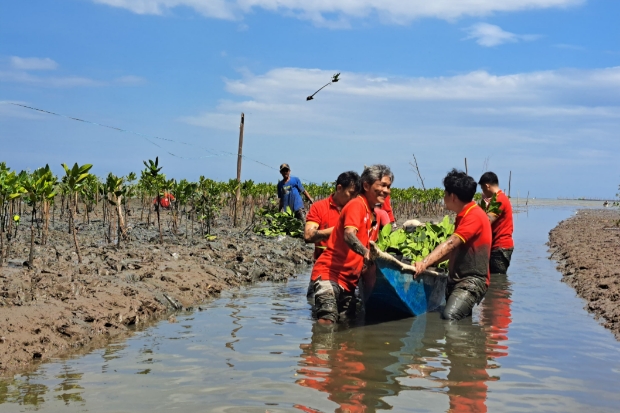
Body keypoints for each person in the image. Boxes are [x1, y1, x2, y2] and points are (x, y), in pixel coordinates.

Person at [309, 164, 393, 324]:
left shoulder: (372, 213)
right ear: (366, 185)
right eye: (382, 185)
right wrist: (366, 253)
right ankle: (316, 348)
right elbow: (349, 235)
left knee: (347, 326)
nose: (386, 190)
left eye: (388, 186)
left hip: (349, 283)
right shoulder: (357, 205)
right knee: (327, 321)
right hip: (330, 275)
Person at [414, 169, 492, 321]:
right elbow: (454, 250)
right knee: (462, 319)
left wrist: (423, 263)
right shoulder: (464, 215)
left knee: (450, 316)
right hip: (458, 280)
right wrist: (430, 264)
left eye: (445, 194)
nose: (443, 198)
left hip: (472, 281)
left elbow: (450, 244)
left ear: (453, 196)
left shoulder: (474, 216)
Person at [304, 171, 361, 260]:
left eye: (356, 196)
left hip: (350, 265)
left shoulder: (358, 210)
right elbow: (308, 235)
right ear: (339, 188)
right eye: (351, 193)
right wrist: (340, 230)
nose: (353, 199)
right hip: (325, 265)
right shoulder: (319, 207)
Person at [478, 172, 514, 274]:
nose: (483, 191)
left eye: (482, 188)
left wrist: (482, 206)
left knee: (497, 280)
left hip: (500, 246)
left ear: (487, 186)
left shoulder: (499, 199)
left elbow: (487, 221)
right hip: (498, 246)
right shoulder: (497, 198)